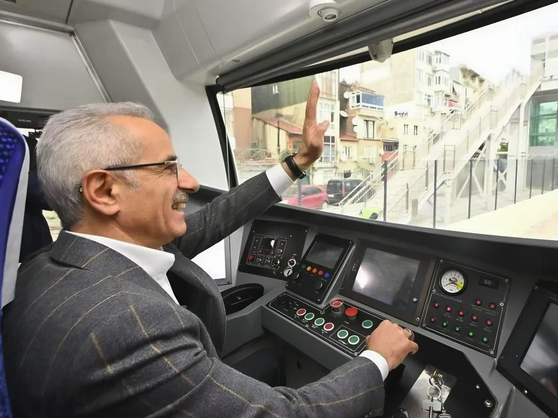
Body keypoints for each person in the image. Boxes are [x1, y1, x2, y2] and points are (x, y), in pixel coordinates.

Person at [2, 81, 418, 418]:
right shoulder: (129, 328)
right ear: (104, 190)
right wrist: (376, 359)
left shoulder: (41, 265)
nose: (191, 182)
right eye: (168, 167)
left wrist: (298, 162)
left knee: (269, 360)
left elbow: (219, 216)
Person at [19, 132, 53, 262]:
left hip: (27, 240)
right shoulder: (24, 145)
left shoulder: (24, 145)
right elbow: (43, 195)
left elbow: (44, 195)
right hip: (28, 240)